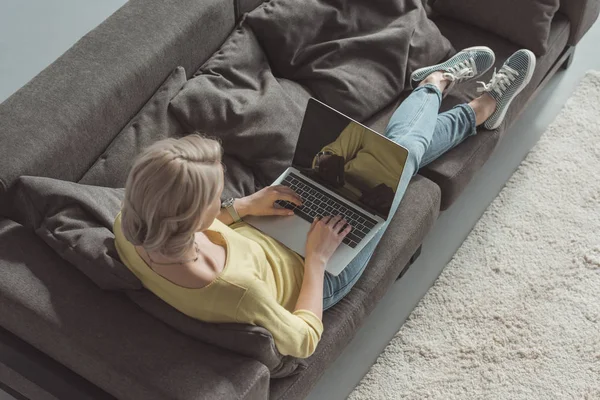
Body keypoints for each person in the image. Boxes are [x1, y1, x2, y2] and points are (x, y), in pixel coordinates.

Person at [114, 47, 536, 358]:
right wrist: (316, 258)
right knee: (398, 158)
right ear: (188, 217)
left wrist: (244, 207)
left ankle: (459, 98)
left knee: (390, 155)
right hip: (316, 275)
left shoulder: (131, 226)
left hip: (265, 231)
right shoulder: (237, 293)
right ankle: (455, 96)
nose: (223, 197)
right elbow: (301, 340)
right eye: (215, 197)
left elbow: (196, 231)